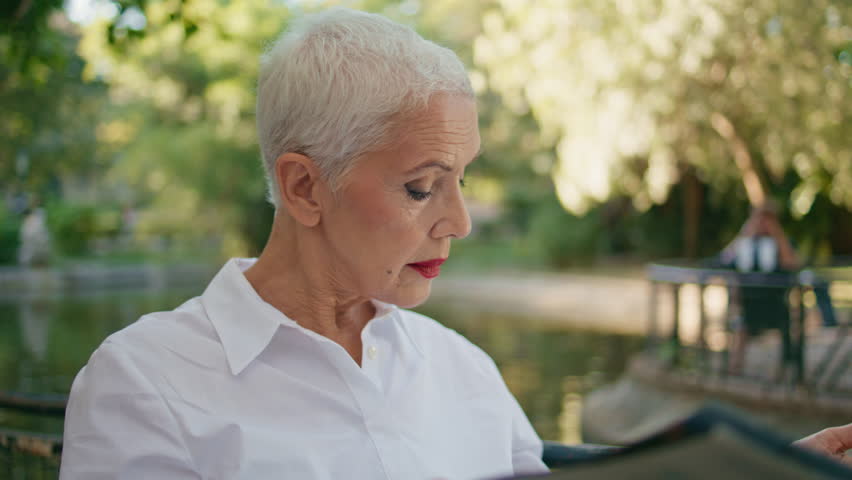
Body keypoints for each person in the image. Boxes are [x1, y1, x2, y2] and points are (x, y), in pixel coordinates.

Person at [59, 8, 851, 479]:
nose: (458, 222)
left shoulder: (462, 368)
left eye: (462, 178)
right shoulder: (141, 386)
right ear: (304, 187)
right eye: (420, 186)